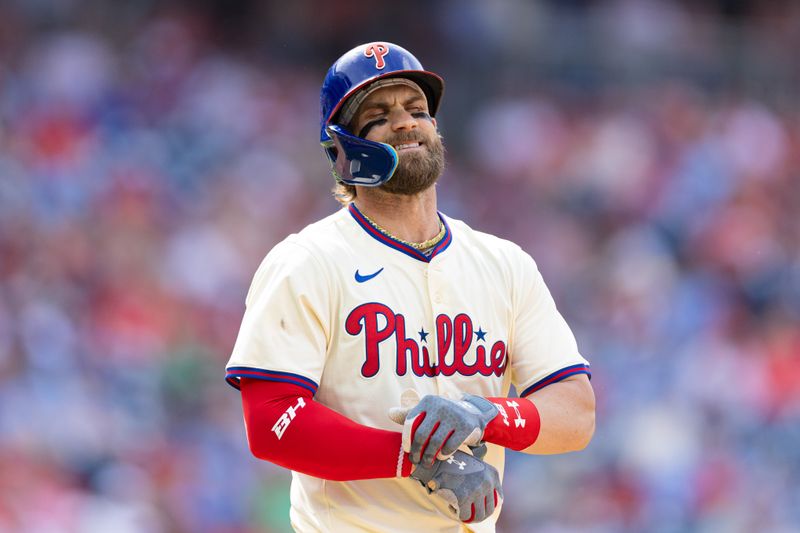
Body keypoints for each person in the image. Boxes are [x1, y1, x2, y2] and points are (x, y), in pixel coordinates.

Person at [225, 41, 595, 532]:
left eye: (417, 109)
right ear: (342, 148)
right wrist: (417, 458)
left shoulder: (505, 264)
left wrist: (489, 414)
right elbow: (273, 423)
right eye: (378, 116)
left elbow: (575, 411)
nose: (405, 122)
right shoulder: (307, 261)